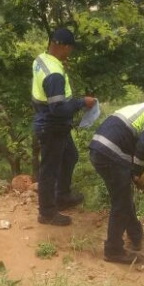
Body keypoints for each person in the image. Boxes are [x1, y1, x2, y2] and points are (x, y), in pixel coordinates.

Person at [89, 84, 144, 264]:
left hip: (99, 149)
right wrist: (137, 171)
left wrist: (134, 171)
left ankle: (135, 235)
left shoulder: (140, 107)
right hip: (112, 153)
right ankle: (113, 250)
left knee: (123, 196)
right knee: (120, 203)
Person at [32, 28, 96, 226]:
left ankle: (62, 196)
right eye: (70, 49)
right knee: (49, 170)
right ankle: (47, 213)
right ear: (64, 47)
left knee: (70, 156)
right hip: (52, 126)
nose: (70, 53)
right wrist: (81, 103)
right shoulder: (55, 75)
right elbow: (58, 108)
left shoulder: (42, 59)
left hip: (52, 122)